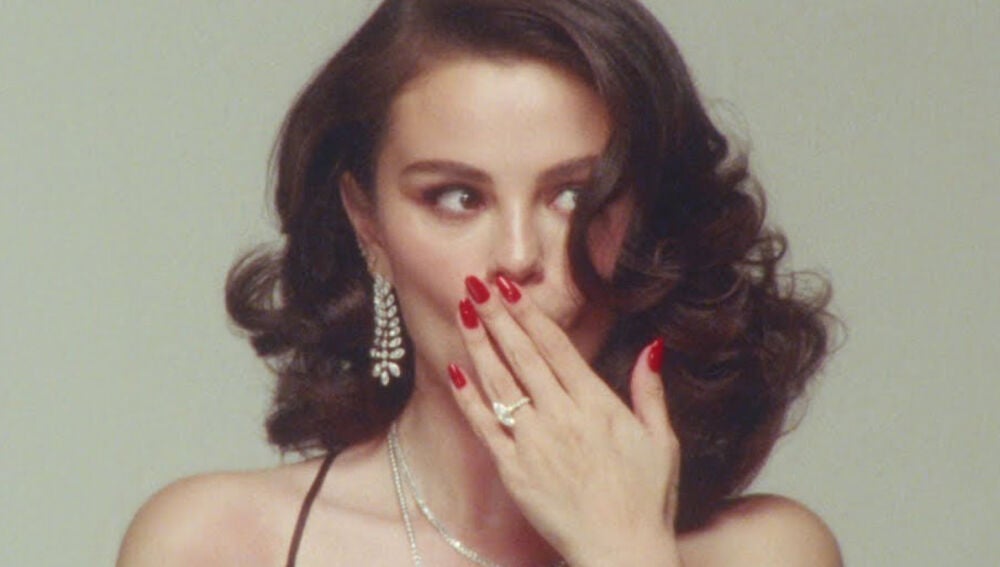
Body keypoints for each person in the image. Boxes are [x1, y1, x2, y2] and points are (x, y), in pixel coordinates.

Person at [117, 0, 841, 565]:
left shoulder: (765, 552)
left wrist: (625, 551)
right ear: (369, 224)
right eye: (458, 197)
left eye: (573, 195)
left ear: (648, 215)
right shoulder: (211, 546)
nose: (518, 256)